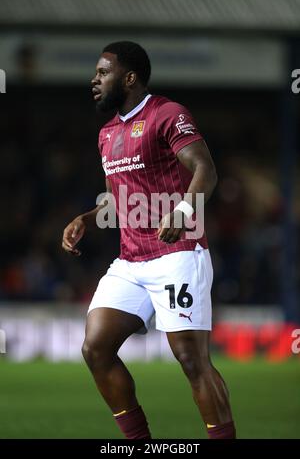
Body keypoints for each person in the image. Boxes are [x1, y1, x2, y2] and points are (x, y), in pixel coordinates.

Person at [62, 41, 236, 440]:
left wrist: (183, 212)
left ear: (129, 78)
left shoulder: (167, 115)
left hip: (177, 253)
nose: (94, 79)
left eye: (103, 73)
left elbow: (205, 170)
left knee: (192, 361)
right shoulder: (107, 134)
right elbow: (116, 200)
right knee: (96, 348)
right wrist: (88, 219)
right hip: (131, 260)